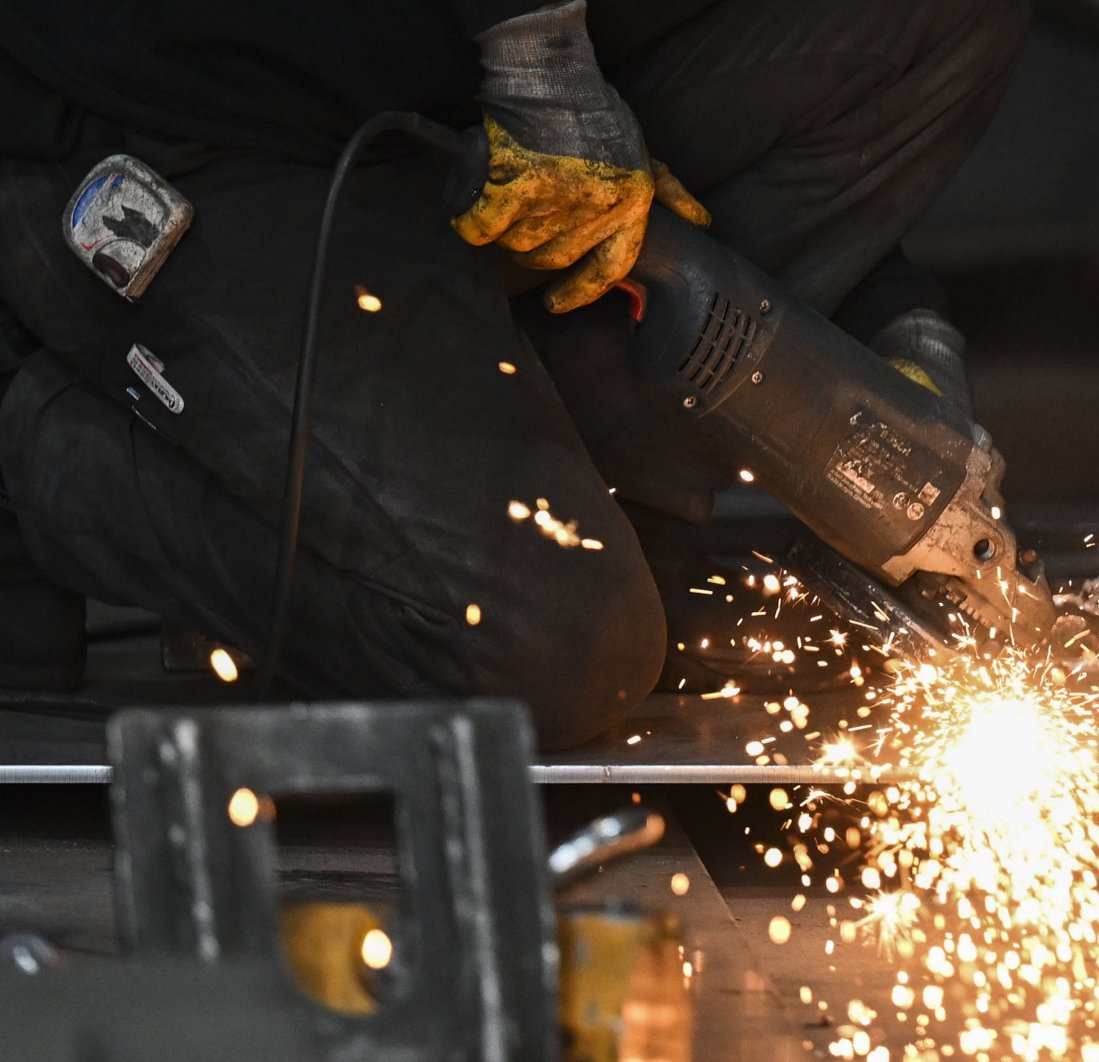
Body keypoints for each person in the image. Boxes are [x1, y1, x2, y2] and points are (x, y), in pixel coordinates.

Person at [0, 0, 1029, 747]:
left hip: (452, 82)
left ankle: (579, 487)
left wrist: (891, 325)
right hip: (211, 108)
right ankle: (45, 444)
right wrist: (539, 61)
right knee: (550, 651)